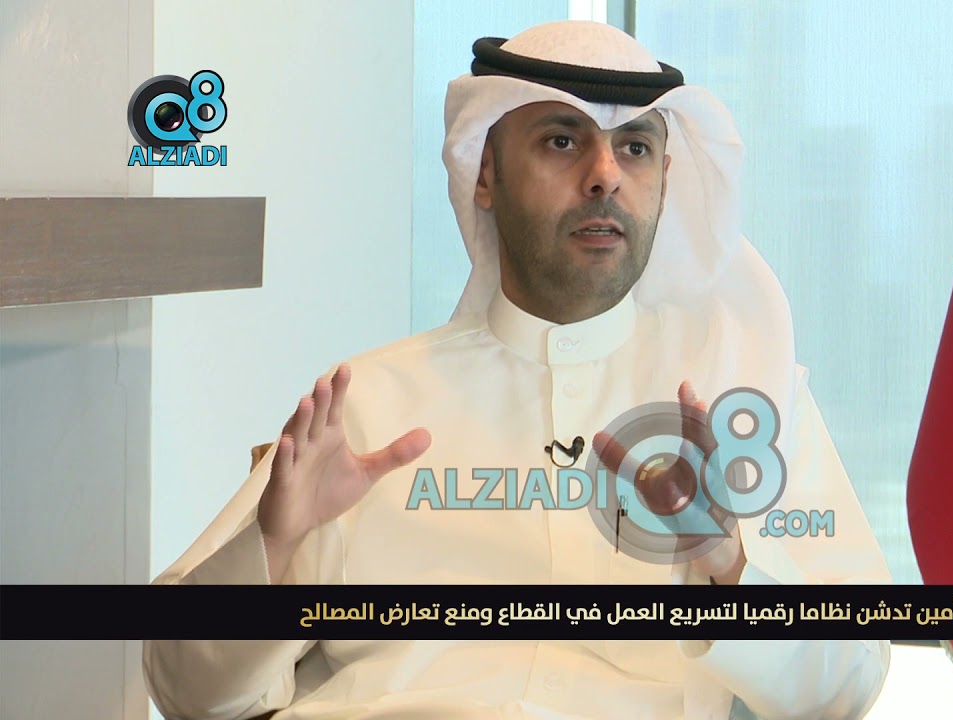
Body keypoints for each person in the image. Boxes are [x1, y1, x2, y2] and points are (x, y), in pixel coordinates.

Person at [143, 20, 893, 720]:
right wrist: (274, 547)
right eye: (563, 141)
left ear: (666, 181)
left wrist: (729, 563)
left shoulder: (742, 403)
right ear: (485, 174)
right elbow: (185, 691)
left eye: (634, 147)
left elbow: (849, 683)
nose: (605, 176)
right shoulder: (367, 406)